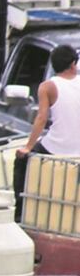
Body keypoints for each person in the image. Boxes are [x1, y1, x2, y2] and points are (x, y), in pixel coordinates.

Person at [14, 45, 80, 222]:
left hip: (56, 146)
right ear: (73, 64)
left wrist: (28, 147)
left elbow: (42, 118)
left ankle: (19, 211)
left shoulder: (48, 86)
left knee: (21, 161)